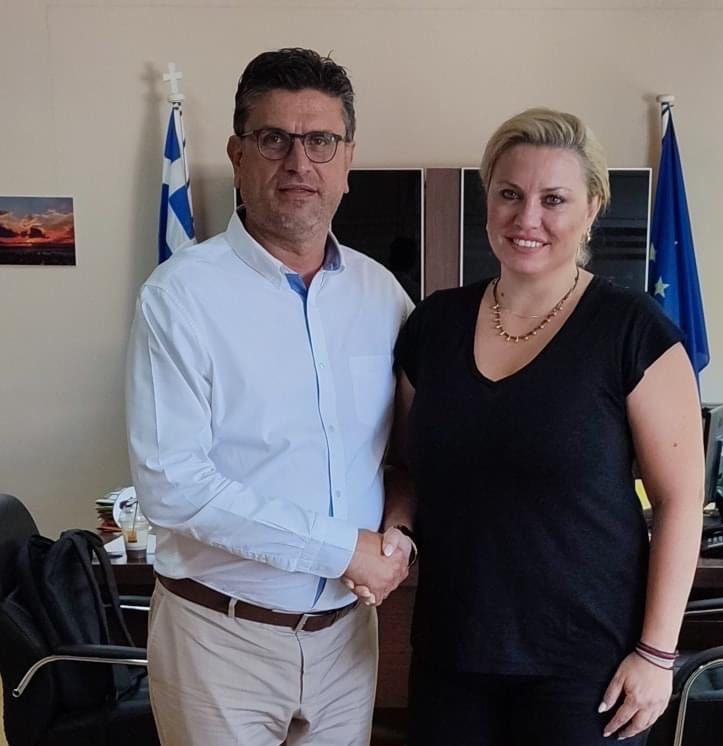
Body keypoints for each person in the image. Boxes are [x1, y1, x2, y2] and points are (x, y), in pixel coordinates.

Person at [126, 48, 415, 746]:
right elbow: (172, 486)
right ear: (238, 154)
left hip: (347, 640)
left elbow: (406, 446)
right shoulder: (180, 296)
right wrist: (344, 549)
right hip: (220, 641)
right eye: (273, 139)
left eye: (321, 141)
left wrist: (399, 530)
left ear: (347, 160)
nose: (298, 162)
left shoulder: (383, 295)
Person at [389, 108, 705, 745]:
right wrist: (397, 529)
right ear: (488, 201)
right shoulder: (433, 325)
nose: (526, 217)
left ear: (591, 210)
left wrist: (657, 654)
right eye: (509, 194)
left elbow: (680, 501)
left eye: (553, 199)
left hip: (587, 668)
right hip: (451, 651)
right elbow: (405, 465)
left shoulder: (634, 331)